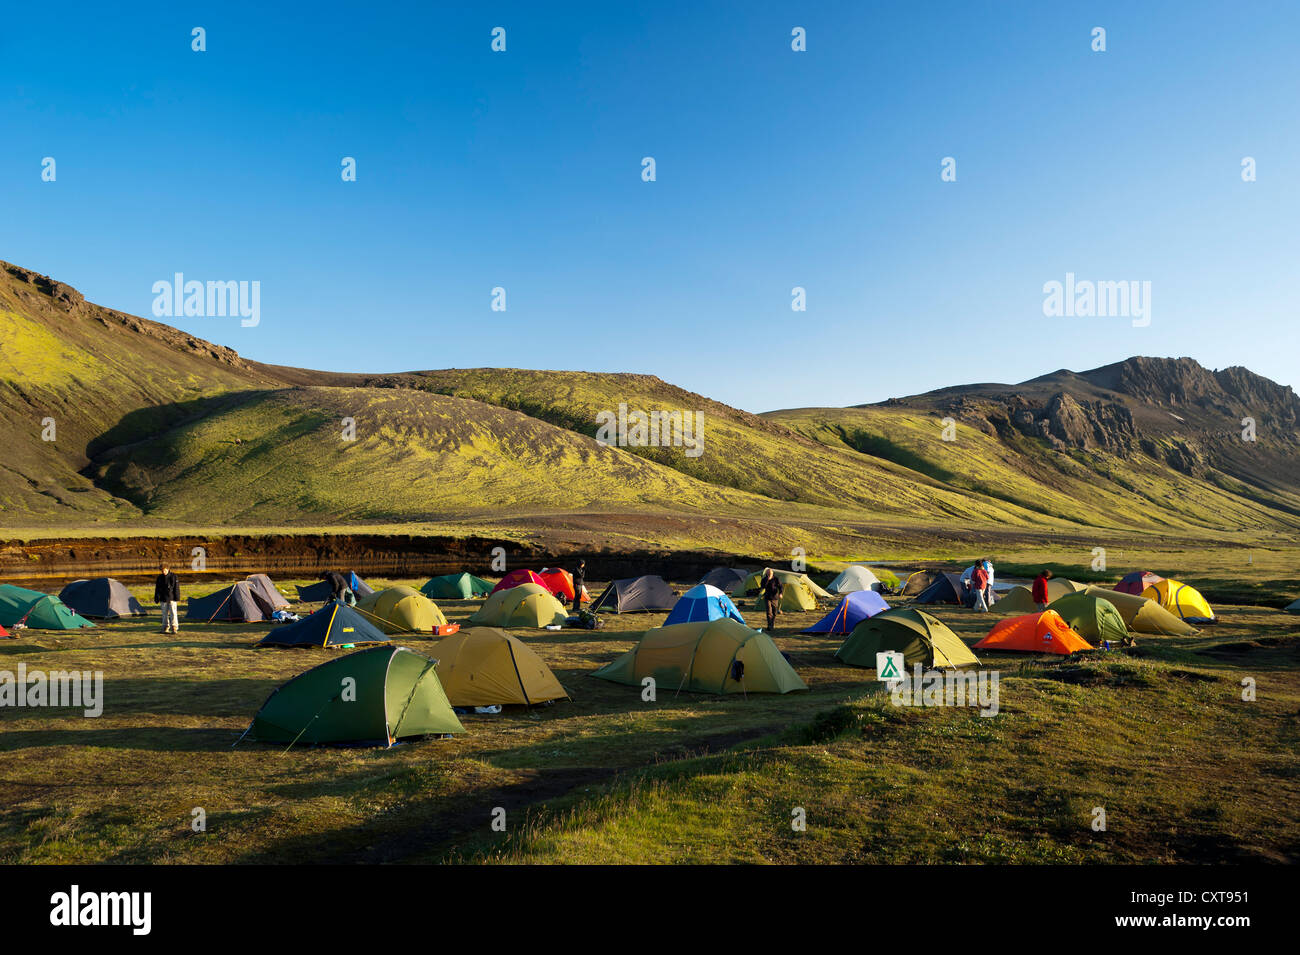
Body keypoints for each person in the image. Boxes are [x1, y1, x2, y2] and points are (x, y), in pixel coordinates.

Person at [154, 562, 181, 634]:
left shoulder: (174, 576)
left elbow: (176, 588)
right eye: (162, 570)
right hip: (163, 599)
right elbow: (157, 589)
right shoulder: (159, 578)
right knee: (164, 614)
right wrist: (156, 597)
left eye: (164, 570)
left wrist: (177, 597)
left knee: (173, 613)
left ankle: (174, 628)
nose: (163, 572)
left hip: (172, 598)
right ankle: (165, 627)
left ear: (168, 569)